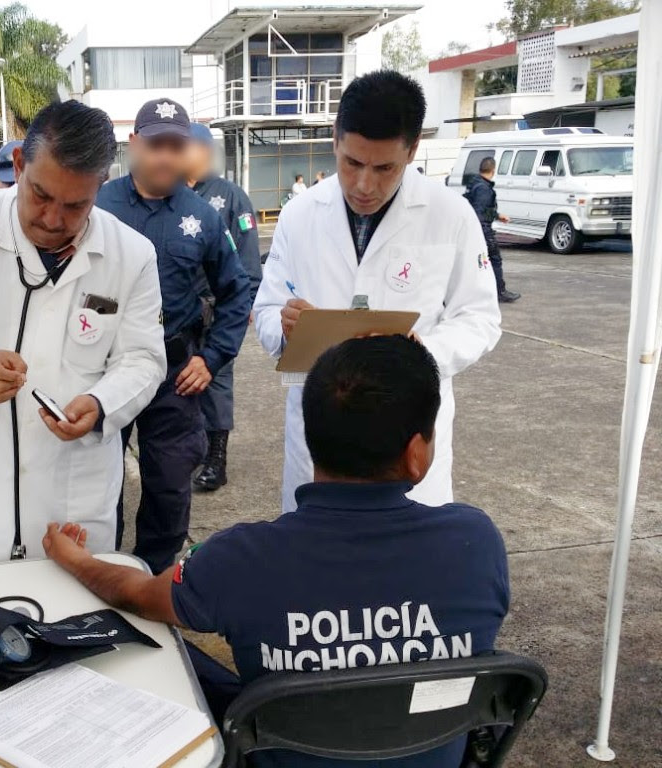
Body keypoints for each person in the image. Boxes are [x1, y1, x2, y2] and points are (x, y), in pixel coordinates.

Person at [43, 334, 510, 768]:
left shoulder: (241, 559)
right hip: (430, 753)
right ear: (416, 453)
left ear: (311, 437)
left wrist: (75, 559)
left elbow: (137, 595)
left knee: (164, 647)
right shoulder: (475, 544)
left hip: (280, 750)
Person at [0, 100, 167, 570]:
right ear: (19, 164)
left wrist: (102, 403)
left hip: (70, 498)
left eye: (76, 204)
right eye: (40, 195)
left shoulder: (132, 255)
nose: (54, 219)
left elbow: (144, 359)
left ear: (100, 186)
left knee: (72, 627)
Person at [254, 70, 501, 512]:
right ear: (335, 139)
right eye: (352, 163)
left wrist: (424, 348)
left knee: (407, 569)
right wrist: (284, 325)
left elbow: (480, 317)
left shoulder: (450, 214)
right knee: (318, 563)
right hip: (322, 432)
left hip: (405, 430)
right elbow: (269, 307)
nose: (364, 185)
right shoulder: (301, 214)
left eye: (384, 167)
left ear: (412, 150)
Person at [96, 98, 251, 573]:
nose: (165, 156)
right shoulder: (99, 204)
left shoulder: (201, 216)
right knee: (98, 481)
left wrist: (212, 358)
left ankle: (155, 579)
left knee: (168, 482)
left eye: (176, 146)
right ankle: (99, 570)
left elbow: (237, 290)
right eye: (156, 144)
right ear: (134, 144)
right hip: (104, 366)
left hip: (173, 373)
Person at [186, 122, 261, 491]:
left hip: (218, 307)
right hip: (180, 310)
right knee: (181, 380)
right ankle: (194, 450)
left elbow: (247, 254)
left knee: (216, 381)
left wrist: (247, 301)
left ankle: (217, 458)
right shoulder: (169, 193)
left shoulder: (229, 195)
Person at [466, 157, 520, 303]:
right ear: (493, 170)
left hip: (473, 229)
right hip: (482, 230)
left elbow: (479, 209)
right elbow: (480, 212)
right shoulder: (484, 188)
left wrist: (497, 215)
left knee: (475, 262)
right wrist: (485, 233)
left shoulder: (475, 184)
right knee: (495, 259)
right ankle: (499, 291)